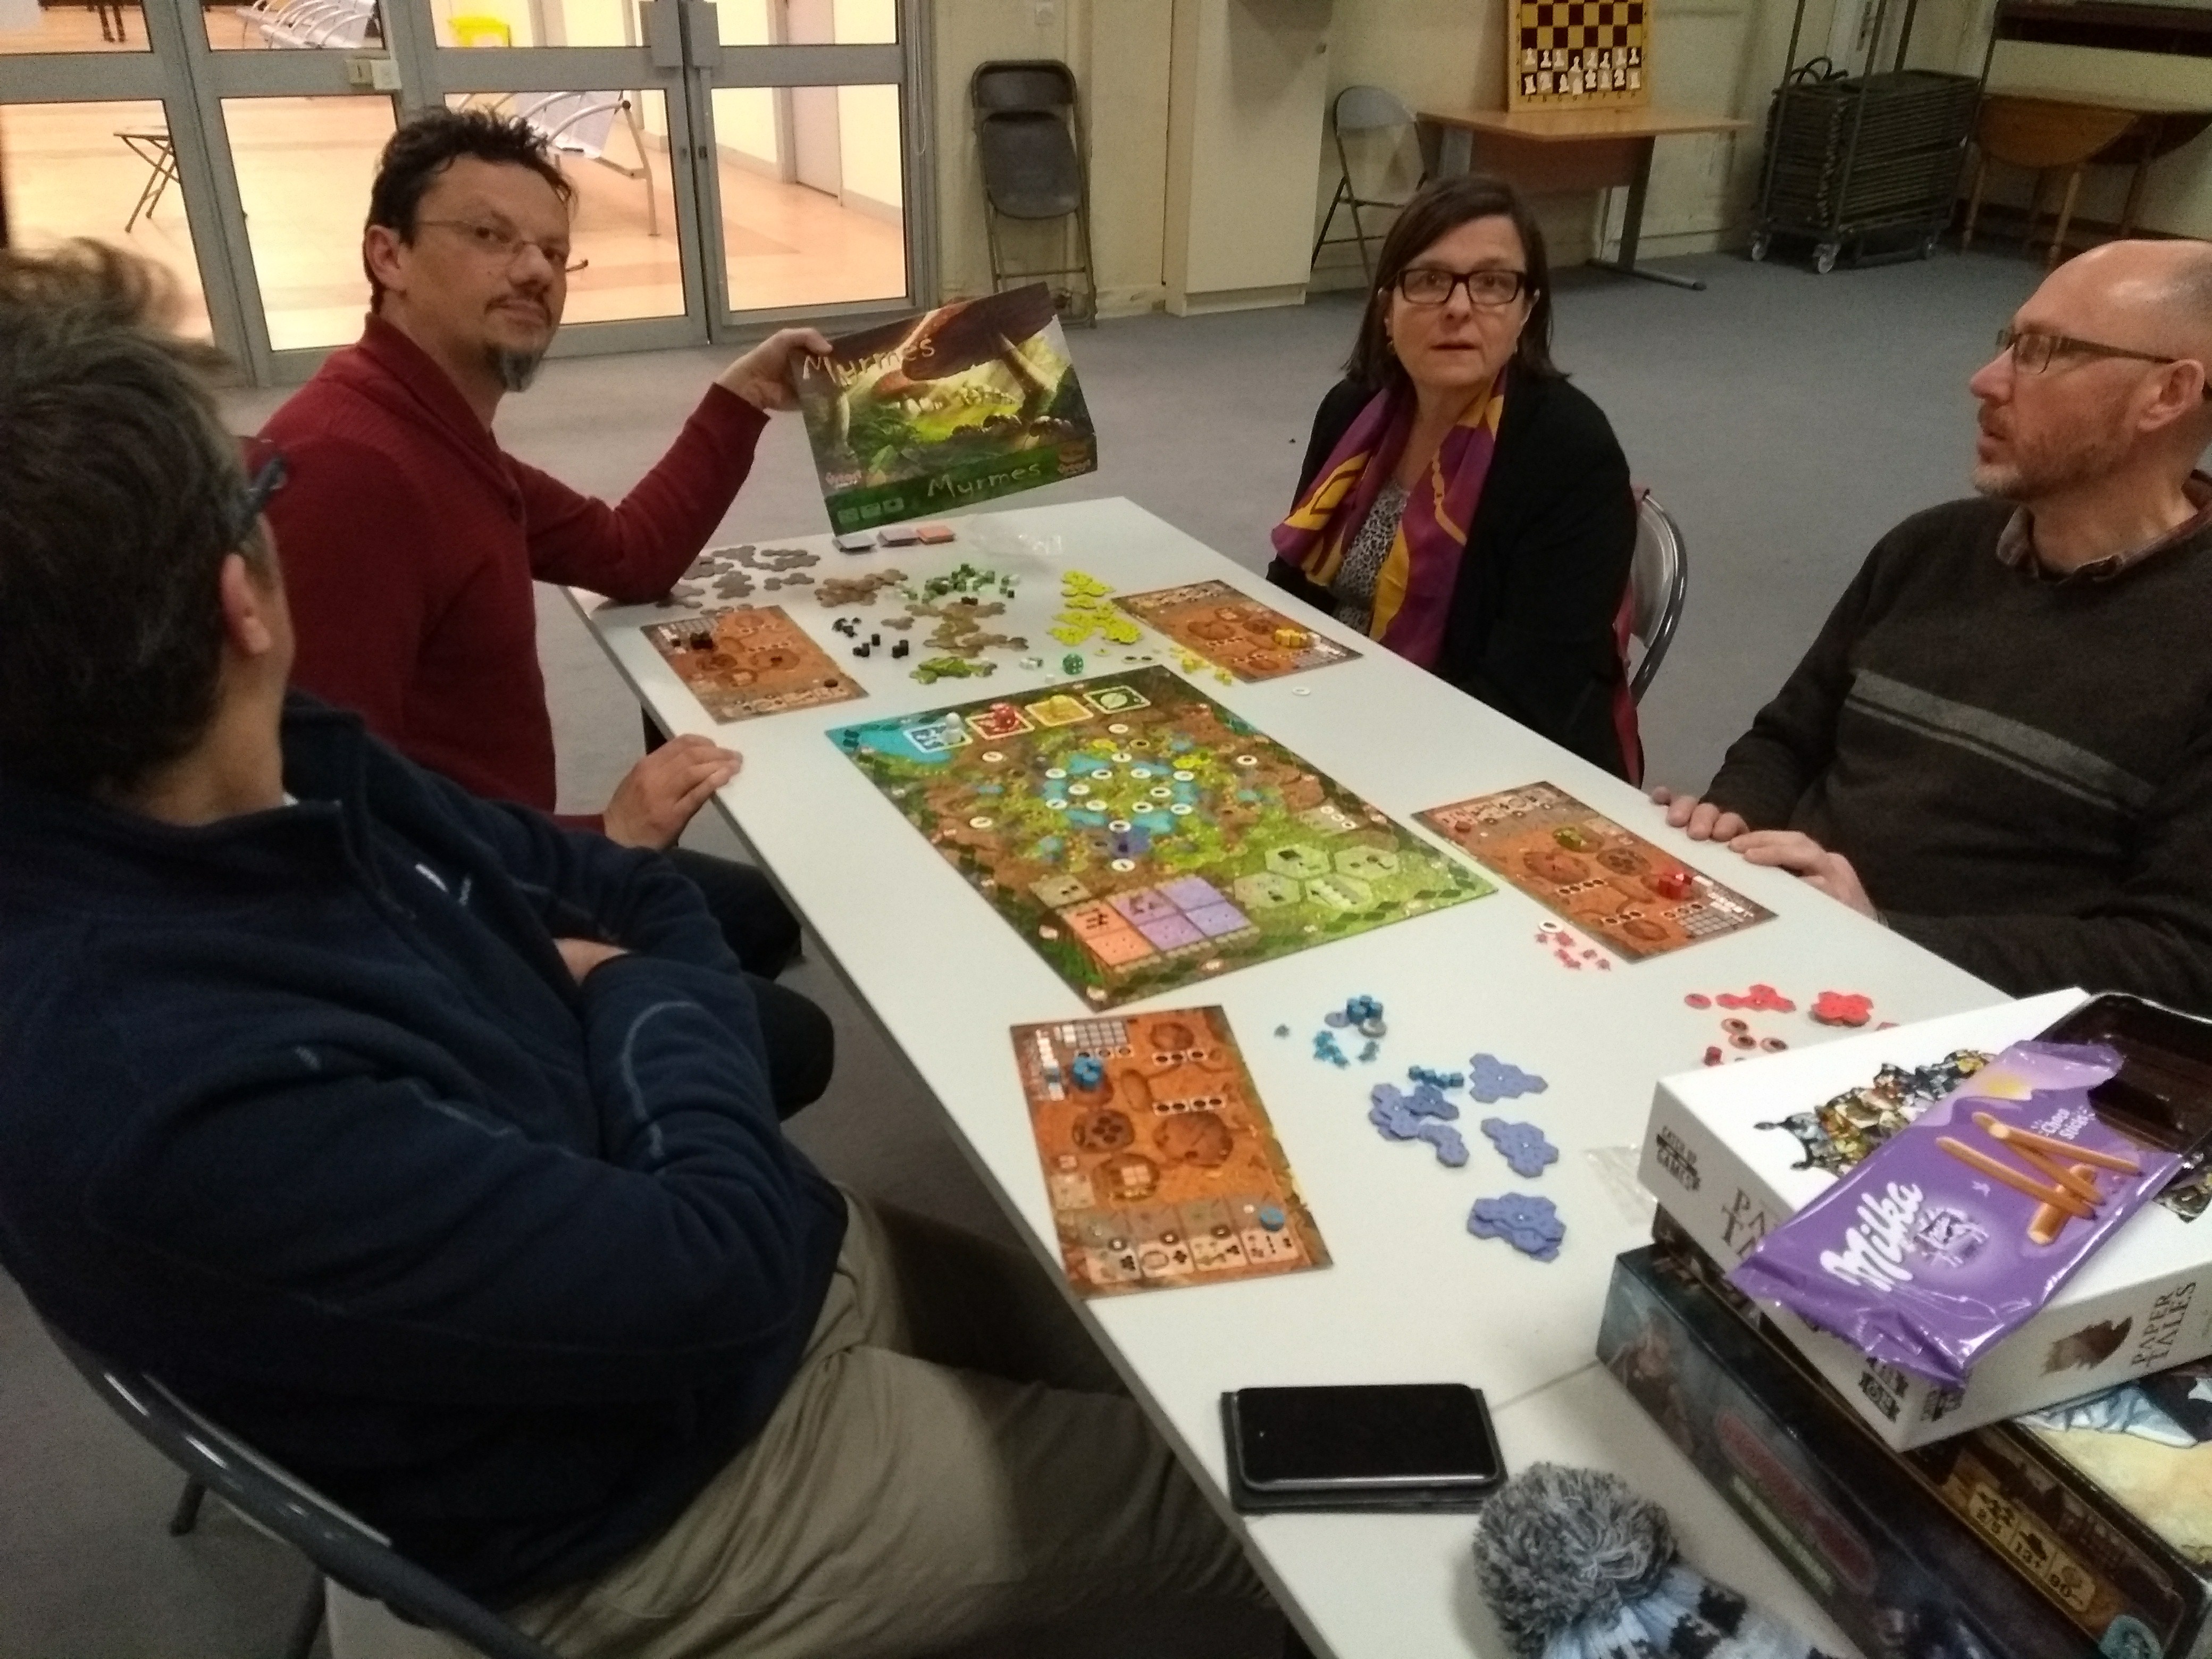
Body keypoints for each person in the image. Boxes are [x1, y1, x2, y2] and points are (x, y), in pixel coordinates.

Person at [0, 241, 1272, 1659]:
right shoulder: (152, 1083)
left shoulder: (276, 758)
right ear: (240, 599)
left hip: (707, 1255)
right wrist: (630, 983)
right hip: (662, 1491)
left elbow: (615, 886)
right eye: (258, 493)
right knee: (1253, 1511)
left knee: (1131, 1332)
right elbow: (711, 1257)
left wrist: (618, 974)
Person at [259, 108, 827, 1085]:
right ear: (388, 256)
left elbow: (628, 554)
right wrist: (604, 839)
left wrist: (739, 396)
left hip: (494, 845)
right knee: (793, 1043)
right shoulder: (352, 469)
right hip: (438, 910)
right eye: (490, 236)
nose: (534, 271)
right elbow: (322, 822)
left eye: (555, 252)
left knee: (759, 916)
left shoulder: (439, 435)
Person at [1655, 238, 2212, 1013]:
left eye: (2044, 352)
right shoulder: (1930, 547)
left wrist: (1886, 934)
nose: (1985, 380)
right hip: (1788, 949)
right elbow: (1788, 738)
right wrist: (1732, 822)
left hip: (1971, 1025)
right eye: (2008, 341)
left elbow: (2181, 957)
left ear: (2167, 393)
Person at [1269, 173, 1641, 779]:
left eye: (1493, 284)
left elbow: (1527, 696)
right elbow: (1292, 589)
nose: (1459, 308)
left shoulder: (1570, 454)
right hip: (1330, 710)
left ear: (1527, 312)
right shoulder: (1352, 410)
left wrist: (1345, 742)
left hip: (1490, 760)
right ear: (1387, 309)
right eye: (1429, 280)